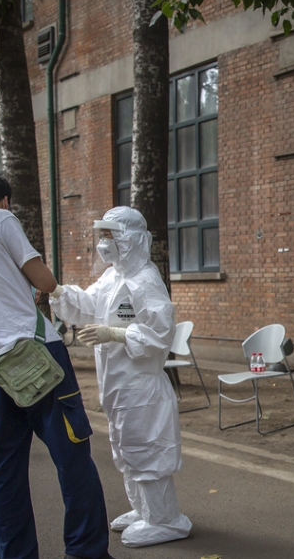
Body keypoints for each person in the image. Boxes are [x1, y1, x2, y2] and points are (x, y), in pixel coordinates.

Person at [0, 169, 114, 559]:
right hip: (37, 356)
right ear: (5, 200)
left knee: (3, 473)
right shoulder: (1, 220)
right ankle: (86, 551)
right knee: (72, 458)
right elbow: (45, 281)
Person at [50, 207, 191, 548]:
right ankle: (144, 511)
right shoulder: (114, 277)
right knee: (127, 451)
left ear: (129, 239)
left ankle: (166, 519)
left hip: (141, 387)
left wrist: (114, 333)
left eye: (110, 235)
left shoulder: (145, 282)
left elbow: (160, 334)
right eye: (102, 235)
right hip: (118, 386)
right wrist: (56, 291)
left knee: (147, 452)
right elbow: (86, 303)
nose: (104, 244)